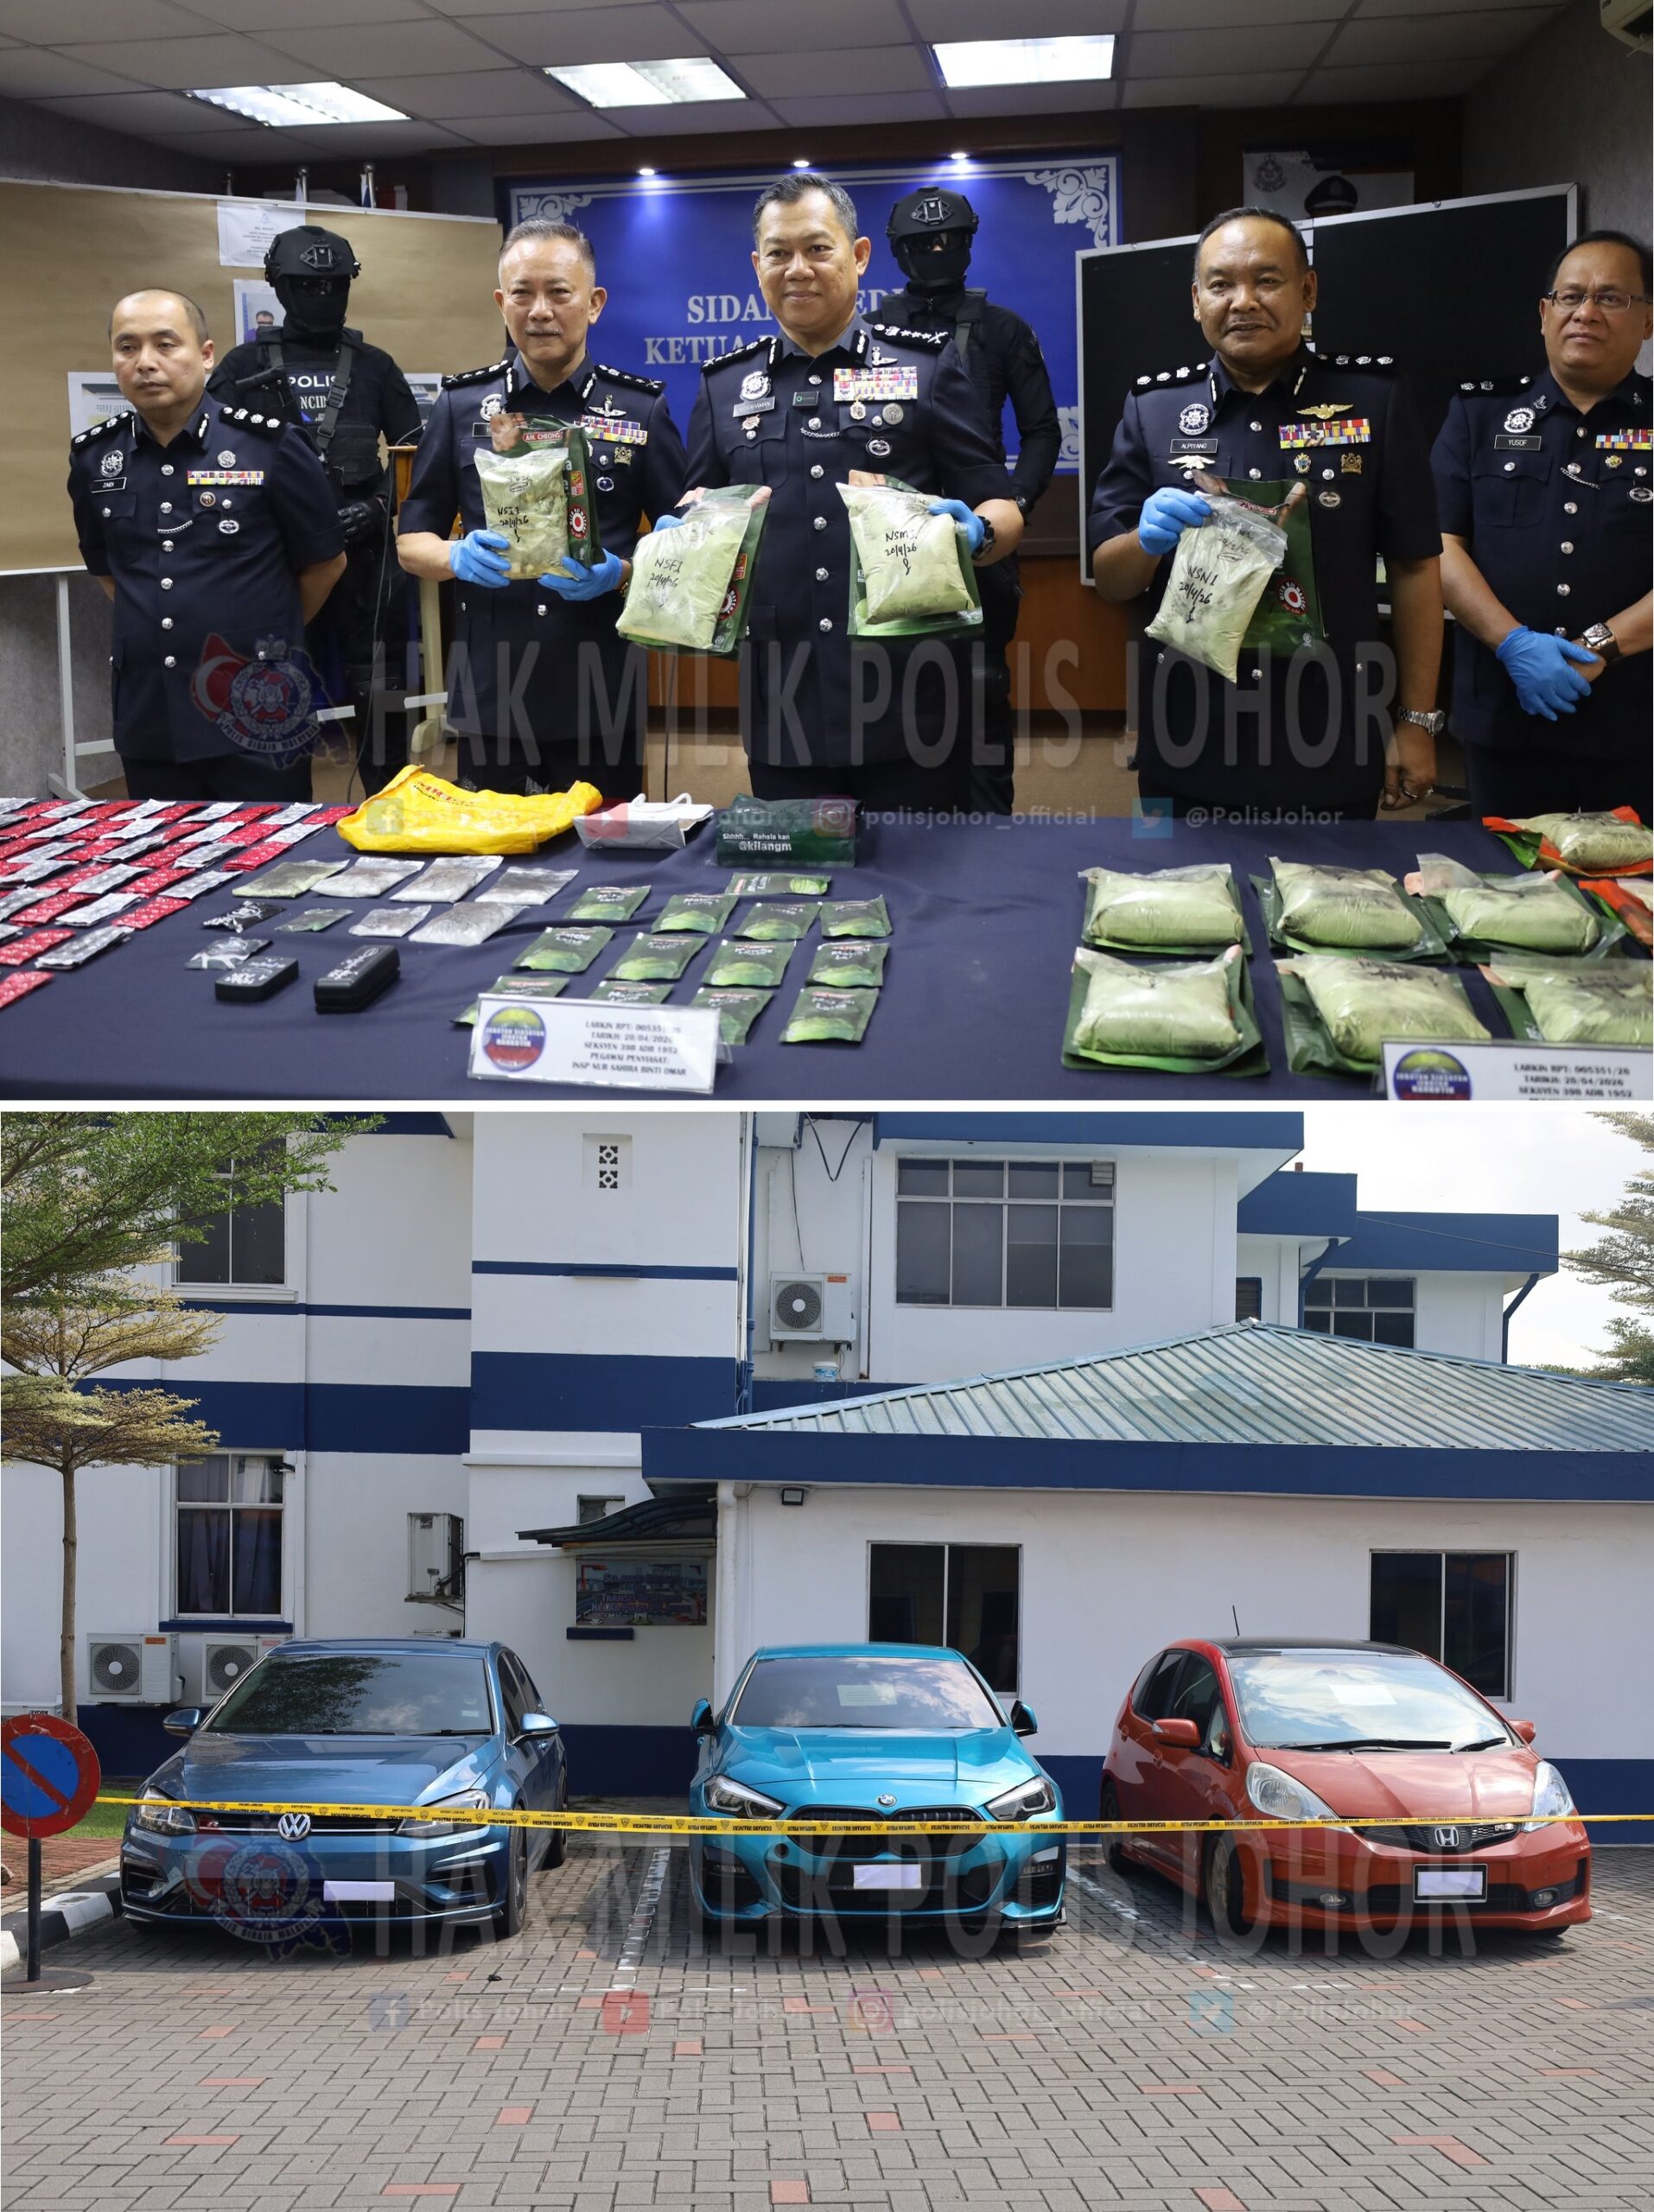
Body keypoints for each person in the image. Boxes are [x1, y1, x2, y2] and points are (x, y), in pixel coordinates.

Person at [672, 172, 1023, 811]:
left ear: (858, 256)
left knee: (919, 868)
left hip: (910, 694)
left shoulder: (924, 369)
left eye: (817, 248)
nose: (797, 269)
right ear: (757, 267)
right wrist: (681, 542)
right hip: (784, 699)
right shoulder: (723, 389)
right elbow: (700, 510)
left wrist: (977, 535)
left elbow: (998, 503)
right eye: (778, 253)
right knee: (797, 870)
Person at [1088, 206, 1444, 822]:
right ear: (1197, 300)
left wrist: (1416, 720)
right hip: (1187, 730)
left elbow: (1416, 568)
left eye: (1267, 280)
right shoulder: (1154, 408)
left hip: (1330, 725)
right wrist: (1144, 541)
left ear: (1308, 291)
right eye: (1221, 284)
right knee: (1175, 881)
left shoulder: (1374, 401)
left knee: (1332, 885)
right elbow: (1111, 579)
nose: (1243, 301)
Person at [397, 218, 688, 798]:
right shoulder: (460, 406)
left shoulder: (640, 410)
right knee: (497, 849)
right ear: (501, 303)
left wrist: (624, 571)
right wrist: (456, 556)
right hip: (492, 688)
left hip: (600, 686)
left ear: (594, 303)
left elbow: (685, 544)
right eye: (522, 294)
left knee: (603, 848)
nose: (539, 311)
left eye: (559, 292)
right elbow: (411, 540)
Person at [67, 289, 346, 802]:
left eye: (165, 344)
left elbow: (325, 564)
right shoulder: (95, 458)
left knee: (267, 849)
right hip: (151, 713)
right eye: (127, 347)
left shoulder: (270, 447)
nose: (145, 362)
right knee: (163, 850)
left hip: (256, 710)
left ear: (206, 354)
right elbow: (110, 574)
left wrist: (261, 636)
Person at [1432, 229, 1652, 819]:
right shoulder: (1478, 415)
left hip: (1636, 723)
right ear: (1544, 313)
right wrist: (1513, 642)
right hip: (1505, 714)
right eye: (1570, 296)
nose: (1586, 313)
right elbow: (1439, 545)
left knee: (1631, 877)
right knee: (1503, 872)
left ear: (1648, 321)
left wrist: (1598, 646)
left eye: (1611, 298)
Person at [210, 225, 423, 796]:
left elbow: (416, 456)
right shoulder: (241, 366)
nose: (323, 296)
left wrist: (379, 507)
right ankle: (280, 816)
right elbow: (211, 459)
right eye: (308, 285)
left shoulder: (375, 366)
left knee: (382, 686)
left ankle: (392, 805)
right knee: (273, 687)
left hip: (365, 547)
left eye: (334, 285)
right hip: (275, 556)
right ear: (279, 286)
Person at [878, 186, 1062, 814]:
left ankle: (988, 838)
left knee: (981, 692)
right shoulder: (870, 331)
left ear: (967, 244)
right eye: (923, 243)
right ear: (899, 251)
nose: (936, 250)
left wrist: (1010, 509)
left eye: (948, 240)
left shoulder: (1004, 329)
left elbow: (1042, 431)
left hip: (981, 541)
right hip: (889, 541)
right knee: (887, 687)